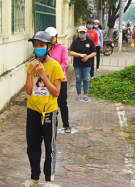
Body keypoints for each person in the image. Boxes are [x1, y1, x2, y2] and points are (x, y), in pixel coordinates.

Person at [21, 31, 64, 187]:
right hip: (33, 109)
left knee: (49, 145)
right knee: (32, 145)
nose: (38, 48)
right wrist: (31, 72)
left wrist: (42, 75)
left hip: (49, 111)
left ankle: (49, 180)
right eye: (35, 45)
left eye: (41, 45)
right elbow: (28, 90)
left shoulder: (55, 66)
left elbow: (56, 92)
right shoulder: (30, 65)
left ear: (49, 46)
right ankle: (34, 177)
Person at [45, 27, 70, 133]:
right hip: (48, 80)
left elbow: (65, 62)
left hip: (60, 79)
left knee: (62, 103)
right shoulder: (45, 48)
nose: (51, 39)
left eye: (53, 37)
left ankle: (66, 125)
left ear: (56, 37)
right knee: (50, 103)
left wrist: (55, 71)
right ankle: (53, 124)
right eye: (49, 38)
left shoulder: (62, 48)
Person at [69, 26, 97, 102]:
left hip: (87, 64)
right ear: (78, 33)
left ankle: (85, 95)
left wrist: (87, 57)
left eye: (83, 32)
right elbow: (71, 52)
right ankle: (78, 94)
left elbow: (94, 52)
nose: (82, 34)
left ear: (86, 33)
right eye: (80, 32)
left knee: (85, 79)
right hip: (77, 64)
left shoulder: (90, 42)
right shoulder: (75, 41)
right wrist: (80, 55)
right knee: (78, 78)